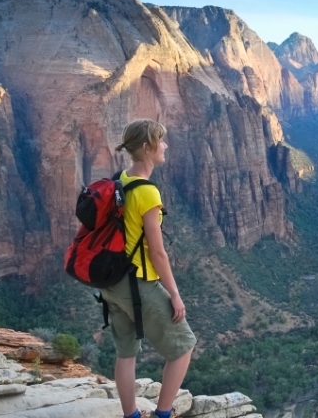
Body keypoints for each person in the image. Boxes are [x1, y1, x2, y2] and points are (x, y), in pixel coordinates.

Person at [101, 119, 196, 418]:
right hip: (139, 284)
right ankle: (163, 414)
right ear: (147, 147)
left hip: (111, 282)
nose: (165, 145)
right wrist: (175, 294)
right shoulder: (148, 193)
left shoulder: (121, 179)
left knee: (126, 353)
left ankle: (131, 415)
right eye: (161, 140)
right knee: (183, 347)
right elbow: (157, 253)